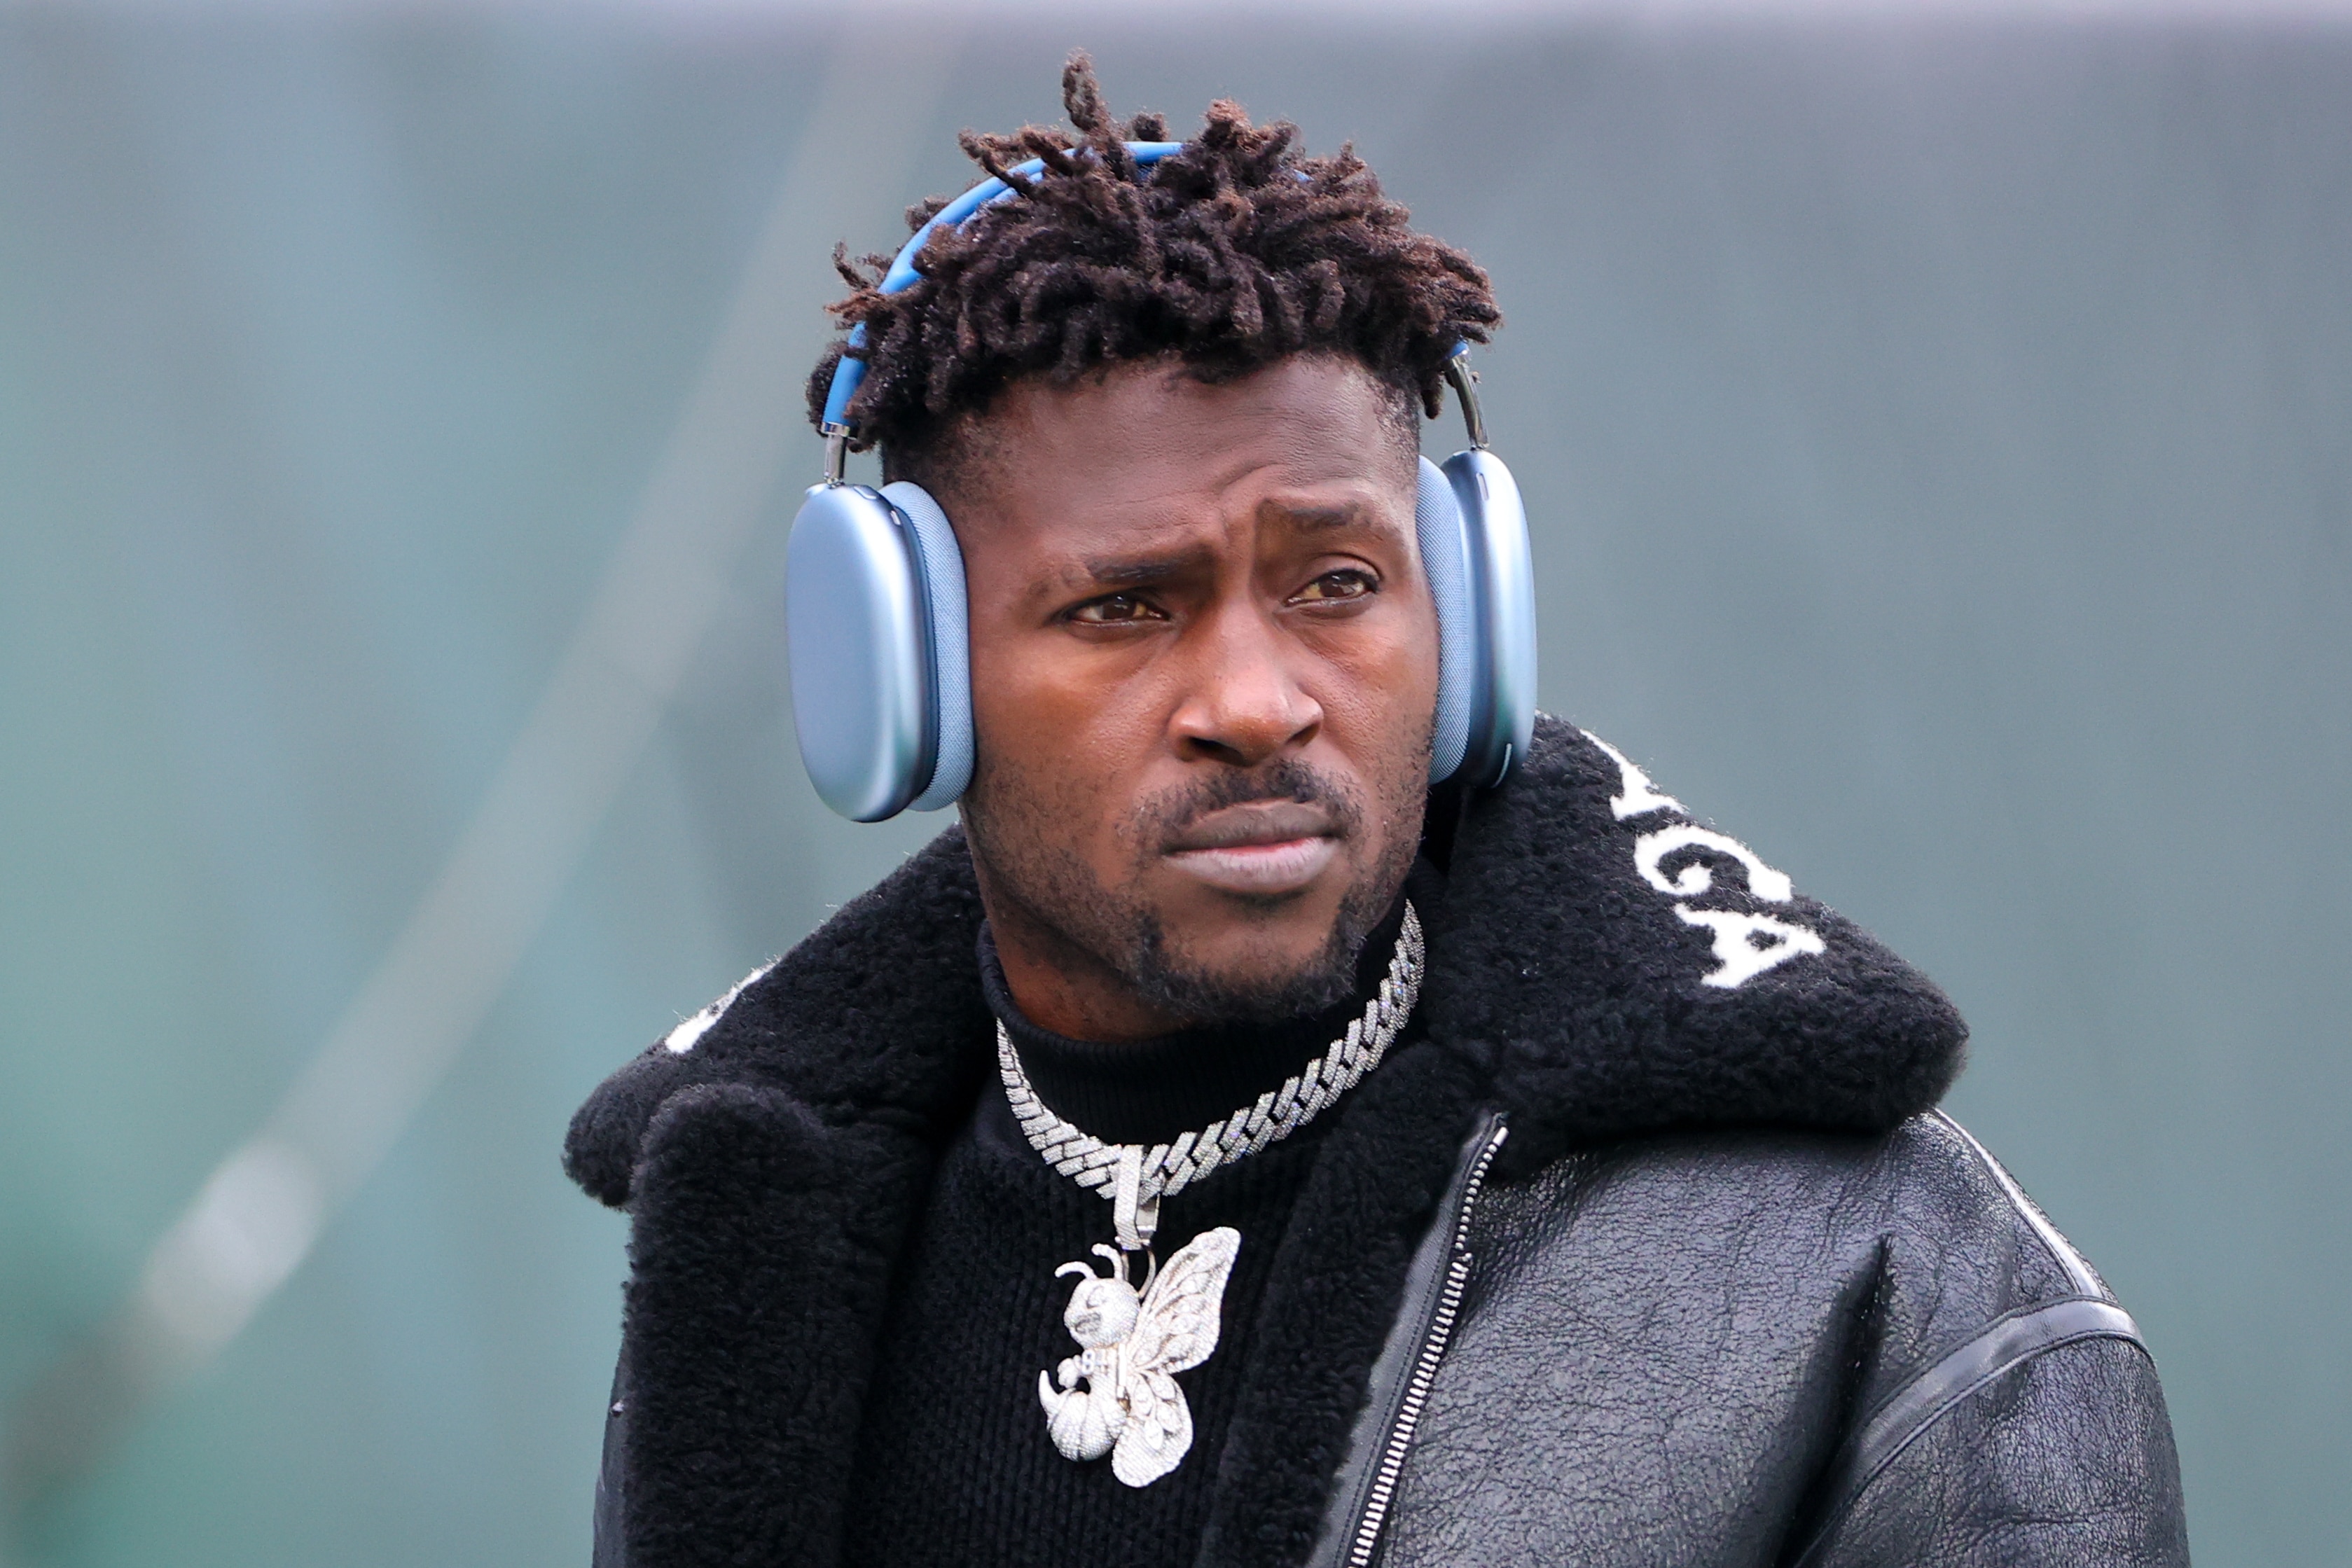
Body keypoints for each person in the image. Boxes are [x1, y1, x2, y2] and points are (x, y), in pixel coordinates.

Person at [565, 56, 2187, 1568]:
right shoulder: (751, 1242)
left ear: (1463, 617)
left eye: (1338, 584)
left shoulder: (1862, 1274)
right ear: (899, 672)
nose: (1258, 702)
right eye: (1124, 607)